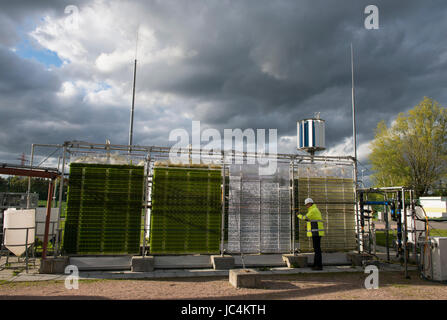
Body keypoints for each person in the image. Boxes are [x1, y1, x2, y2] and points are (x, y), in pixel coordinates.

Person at [297, 198, 325, 270]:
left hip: (316, 232)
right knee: (317, 249)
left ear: (309, 204)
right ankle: (316, 265)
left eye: (306, 205)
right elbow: (311, 219)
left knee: (317, 250)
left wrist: (298, 215)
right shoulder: (314, 210)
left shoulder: (313, 210)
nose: (306, 206)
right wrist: (307, 224)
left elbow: (304, 217)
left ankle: (318, 266)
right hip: (316, 232)